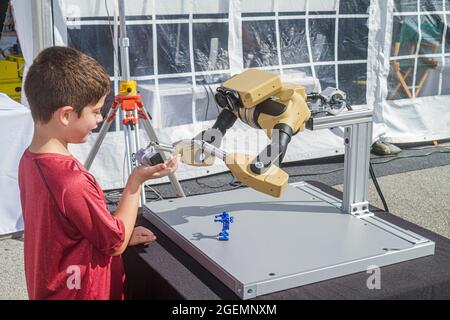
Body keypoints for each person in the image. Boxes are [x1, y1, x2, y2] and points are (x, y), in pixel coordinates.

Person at [18, 46, 179, 300]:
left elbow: (71, 229)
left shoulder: (29, 160)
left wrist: (121, 235)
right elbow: (114, 242)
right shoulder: (72, 180)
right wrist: (135, 181)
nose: (100, 119)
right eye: (95, 111)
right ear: (66, 115)